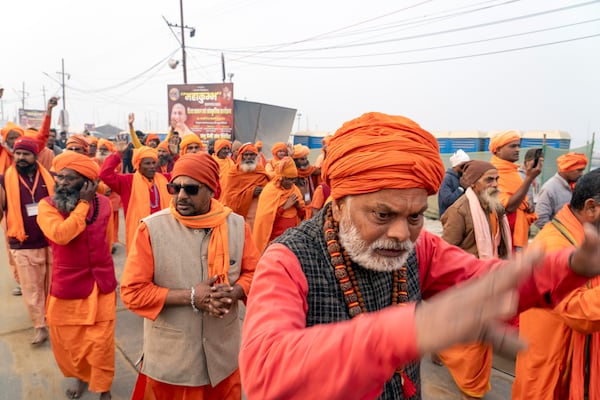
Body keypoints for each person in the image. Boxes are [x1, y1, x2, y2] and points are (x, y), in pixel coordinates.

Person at [238, 112, 600, 400]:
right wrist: (401, 332)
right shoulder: (287, 260)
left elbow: (485, 281)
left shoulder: (419, 245)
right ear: (338, 204)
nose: (401, 233)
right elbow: (265, 374)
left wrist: (568, 267)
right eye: (382, 215)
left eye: (413, 216)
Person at [120, 152, 259, 400]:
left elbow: (254, 274)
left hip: (222, 360)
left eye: (191, 189)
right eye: (175, 188)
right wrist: (192, 297)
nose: (181, 195)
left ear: (211, 190)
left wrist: (234, 291)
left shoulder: (237, 226)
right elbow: (132, 292)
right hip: (173, 364)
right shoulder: (152, 228)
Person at [513, 169, 600, 400]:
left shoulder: (585, 234)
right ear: (591, 208)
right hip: (555, 368)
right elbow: (578, 310)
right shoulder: (554, 244)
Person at [36, 152, 117, 400]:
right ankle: (81, 376)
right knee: (70, 343)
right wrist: (83, 205)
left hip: (101, 284)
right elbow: (61, 235)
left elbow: (108, 238)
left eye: (68, 178)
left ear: (87, 183)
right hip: (68, 285)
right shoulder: (46, 206)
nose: (60, 182)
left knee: (101, 342)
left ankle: (103, 387)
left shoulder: (103, 203)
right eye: (58, 176)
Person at [437, 160, 512, 399]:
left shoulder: (494, 207)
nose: (495, 184)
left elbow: (498, 243)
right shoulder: (459, 210)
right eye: (489, 179)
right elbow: (445, 253)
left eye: (497, 179)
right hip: (467, 283)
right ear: (473, 182)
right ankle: (472, 385)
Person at [0, 136, 54, 345]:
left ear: (35, 156)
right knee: (32, 288)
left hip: (50, 240)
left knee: (51, 285)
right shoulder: (4, 180)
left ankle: (52, 319)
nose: (21, 158)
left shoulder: (50, 177)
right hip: (22, 243)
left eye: (26, 154)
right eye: (18, 153)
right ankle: (40, 326)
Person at [99, 142, 170, 253]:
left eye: (153, 163)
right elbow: (105, 174)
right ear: (138, 165)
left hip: (162, 231)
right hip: (139, 233)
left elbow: (180, 173)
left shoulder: (164, 179)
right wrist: (119, 154)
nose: (152, 167)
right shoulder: (127, 181)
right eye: (147, 164)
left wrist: (175, 156)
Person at [489, 130, 541, 251]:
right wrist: (529, 178)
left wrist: (527, 206)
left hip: (517, 230)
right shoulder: (493, 173)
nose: (517, 149)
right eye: (512, 146)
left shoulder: (513, 172)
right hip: (503, 236)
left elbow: (519, 200)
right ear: (497, 149)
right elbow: (509, 207)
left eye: (518, 146)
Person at [252, 156, 305, 253]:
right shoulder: (270, 190)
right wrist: (285, 207)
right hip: (275, 239)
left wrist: (298, 206)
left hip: (292, 238)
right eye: (289, 179)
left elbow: (302, 215)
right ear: (281, 178)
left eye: (294, 179)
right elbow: (265, 219)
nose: (292, 182)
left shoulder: (295, 190)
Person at [220, 143, 270, 230]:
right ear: (241, 156)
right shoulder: (234, 172)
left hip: (258, 213)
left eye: (251, 154)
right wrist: (250, 193)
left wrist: (263, 190)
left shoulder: (260, 170)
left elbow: (269, 190)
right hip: (240, 216)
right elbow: (230, 197)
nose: (249, 157)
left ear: (255, 156)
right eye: (246, 155)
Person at [534, 152, 588, 229]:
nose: (581, 174)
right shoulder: (550, 188)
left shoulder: (575, 186)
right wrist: (559, 235)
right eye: (579, 170)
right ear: (567, 169)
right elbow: (540, 219)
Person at [438, 149, 470, 217]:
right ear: (456, 165)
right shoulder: (447, 179)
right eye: (463, 165)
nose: (465, 167)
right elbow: (448, 200)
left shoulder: (463, 177)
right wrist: (461, 188)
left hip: (461, 216)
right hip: (449, 217)